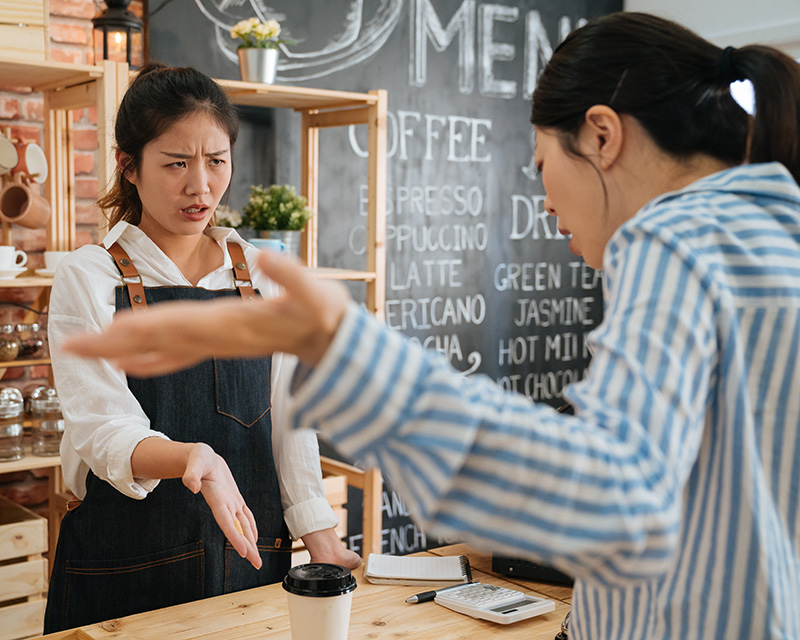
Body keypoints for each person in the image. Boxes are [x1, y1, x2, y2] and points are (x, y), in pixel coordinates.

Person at [62, 13, 800, 640]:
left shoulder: (675, 243)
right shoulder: (773, 231)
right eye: (176, 164)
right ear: (132, 168)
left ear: (601, 138)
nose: (547, 205)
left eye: (541, 165)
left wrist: (350, 356)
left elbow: (612, 496)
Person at [43, 62, 359, 633]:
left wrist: (322, 538)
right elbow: (102, 427)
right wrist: (194, 458)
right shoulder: (88, 277)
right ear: (129, 166)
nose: (201, 186)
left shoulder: (266, 276)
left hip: (251, 563)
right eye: (176, 164)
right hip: (125, 572)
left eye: (216, 161)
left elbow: (291, 420)